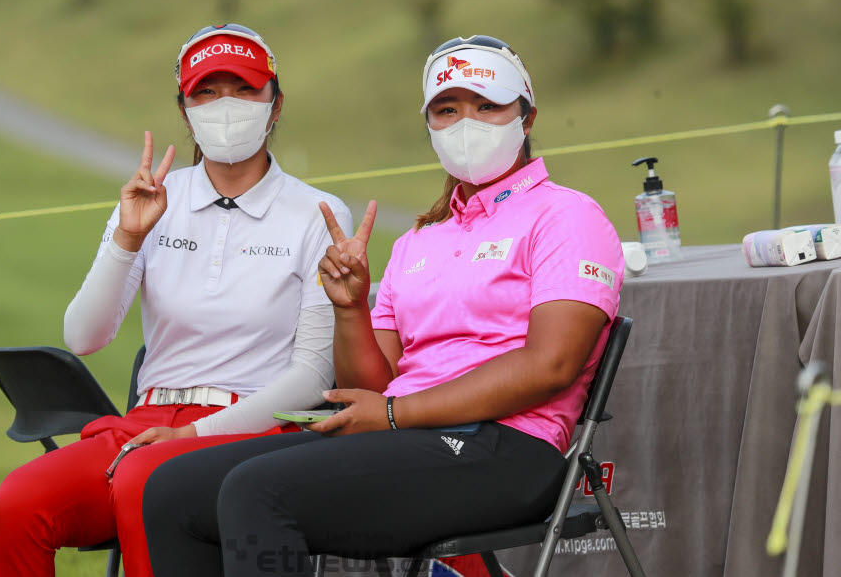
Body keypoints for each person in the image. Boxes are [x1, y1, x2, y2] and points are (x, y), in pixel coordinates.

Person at [140, 34, 626, 577]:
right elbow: (374, 385)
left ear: (526, 117)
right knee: (172, 488)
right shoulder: (419, 241)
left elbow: (550, 365)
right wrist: (350, 310)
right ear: (430, 126)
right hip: (406, 439)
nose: (467, 122)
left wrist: (395, 414)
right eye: (447, 109)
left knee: (259, 491)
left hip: (507, 448)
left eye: (487, 105)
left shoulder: (567, 216)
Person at [0, 23, 353, 577]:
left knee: (143, 482)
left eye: (244, 90)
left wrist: (195, 434)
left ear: (275, 105)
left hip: (253, 426)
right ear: (184, 109)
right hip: (148, 419)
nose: (225, 106)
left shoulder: (318, 213)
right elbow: (83, 337)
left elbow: (312, 375)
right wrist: (128, 237)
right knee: (20, 503)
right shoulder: (155, 197)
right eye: (206, 92)